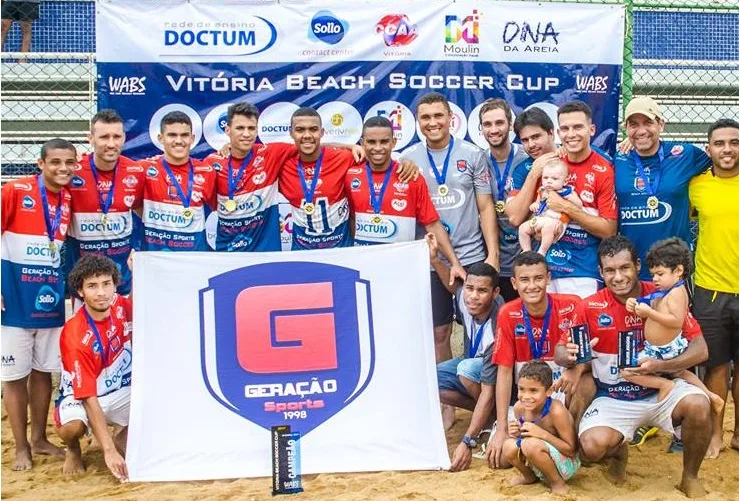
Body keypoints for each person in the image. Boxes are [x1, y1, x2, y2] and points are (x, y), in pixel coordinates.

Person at [569, 235, 711, 498]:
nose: (618, 277)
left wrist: (662, 364)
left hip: (661, 392)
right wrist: (568, 355)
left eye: (624, 268)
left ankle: (689, 477)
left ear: (637, 266)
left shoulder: (664, 296)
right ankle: (618, 453)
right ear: (600, 272)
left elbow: (701, 349)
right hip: (612, 396)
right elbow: (563, 351)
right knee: (590, 448)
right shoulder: (588, 306)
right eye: (609, 270)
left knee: (699, 406)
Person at [400, 92, 499, 363]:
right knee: (439, 334)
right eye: (425, 117)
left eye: (438, 116)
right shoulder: (407, 160)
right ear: (418, 121)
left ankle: (479, 393)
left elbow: (486, 207)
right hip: (432, 261)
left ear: (450, 119)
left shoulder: (473, 155)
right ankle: (447, 404)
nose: (432, 122)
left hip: (471, 257)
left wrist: (492, 255)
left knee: (478, 330)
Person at [1, 138, 75, 470]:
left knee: (44, 371)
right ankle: (21, 448)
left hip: (48, 297)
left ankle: (40, 439)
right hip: (12, 298)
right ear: (40, 163)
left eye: (69, 163)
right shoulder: (15, 190)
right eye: (55, 162)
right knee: (15, 375)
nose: (63, 168)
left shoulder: (69, 199)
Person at [511, 102, 618, 299]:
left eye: (578, 127)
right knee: (546, 329)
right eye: (566, 129)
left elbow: (609, 231)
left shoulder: (604, 167)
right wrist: (539, 225)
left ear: (591, 129)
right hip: (545, 270)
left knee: (580, 329)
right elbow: (520, 217)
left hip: (583, 271)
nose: (571, 134)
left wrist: (566, 207)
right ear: (559, 133)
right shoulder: (549, 165)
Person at [487, 252, 582, 470]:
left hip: (560, 389)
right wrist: (502, 428)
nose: (532, 286)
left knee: (584, 383)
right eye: (524, 280)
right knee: (501, 460)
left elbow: (586, 356)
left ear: (548, 278)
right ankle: (540, 445)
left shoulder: (572, 305)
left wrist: (576, 370)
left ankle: (574, 445)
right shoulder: (507, 313)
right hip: (529, 396)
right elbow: (503, 372)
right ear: (514, 282)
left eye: (538, 278)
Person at [279, 107, 417, 251]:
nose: (307, 135)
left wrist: (406, 163)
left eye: (313, 129)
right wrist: (349, 145)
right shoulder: (282, 165)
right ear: (291, 133)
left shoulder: (345, 158)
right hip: (301, 254)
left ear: (322, 132)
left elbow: (381, 158)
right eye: (300, 130)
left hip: (342, 254)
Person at [347, 117, 463, 276]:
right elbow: (352, 219)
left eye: (384, 141)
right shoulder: (351, 174)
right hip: (365, 266)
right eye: (372, 142)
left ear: (394, 143)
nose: (378, 148)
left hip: (403, 267)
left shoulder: (411, 177)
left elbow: (432, 224)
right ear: (362, 143)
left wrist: (455, 263)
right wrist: (347, 146)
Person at [615, 96, 712, 281]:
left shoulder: (685, 154)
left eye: (648, 123)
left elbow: (724, 163)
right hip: (631, 269)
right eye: (633, 125)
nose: (641, 130)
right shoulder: (618, 159)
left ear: (661, 124)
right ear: (626, 129)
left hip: (674, 269)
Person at [621, 238, 722, 411]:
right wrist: (634, 303)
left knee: (627, 371)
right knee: (680, 372)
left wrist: (649, 313)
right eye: (653, 274)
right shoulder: (664, 291)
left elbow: (676, 321)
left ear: (678, 271)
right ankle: (712, 396)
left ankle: (663, 385)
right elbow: (651, 303)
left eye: (660, 274)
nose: (655, 279)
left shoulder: (677, 292)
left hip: (665, 349)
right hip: (661, 347)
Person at [427, 233, 500, 471]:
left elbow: (493, 377)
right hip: (473, 371)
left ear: (495, 293)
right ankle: (488, 418)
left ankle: (494, 420)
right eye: (469, 288)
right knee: (430, 379)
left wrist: (467, 440)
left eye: (481, 291)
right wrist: (436, 259)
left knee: (466, 368)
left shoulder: (502, 319)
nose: (473, 296)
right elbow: (452, 286)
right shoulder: (465, 299)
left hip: (498, 382)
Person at [54, 255, 131, 482]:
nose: (101, 293)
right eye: (92, 286)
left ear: (115, 285)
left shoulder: (117, 304)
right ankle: (74, 448)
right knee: (72, 427)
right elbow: (88, 397)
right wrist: (109, 452)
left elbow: (140, 304)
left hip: (118, 390)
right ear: (80, 291)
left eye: (106, 284)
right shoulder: (75, 335)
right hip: (83, 397)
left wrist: (138, 271)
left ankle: (120, 437)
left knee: (156, 404)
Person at [689, 118, 739, 458]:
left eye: (734, 142)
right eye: (719, 143)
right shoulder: (696, 186)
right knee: (717, 366)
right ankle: (716, 434)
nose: (727, 149)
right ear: (709, 150)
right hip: (711, 290)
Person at [65, 109, 144, 296]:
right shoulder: (71, 173)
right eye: (104, 137)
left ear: (124, 138)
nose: (111, 143)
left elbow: (142, 212)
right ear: (90, 139)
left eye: (116, 136)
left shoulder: (136, 171)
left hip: (122, 280)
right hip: (84, 282)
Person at [205, 102, 298, 252]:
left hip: (266, 252)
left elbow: (312, 145)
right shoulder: (212, 163)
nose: (246, 134)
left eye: (251, 128)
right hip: (228, 253)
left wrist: (350, 147)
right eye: (240, 128)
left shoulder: (270, 154)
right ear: (228, 130)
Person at [140, 111, 216, 251]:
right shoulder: (144, 170)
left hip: (195, 257)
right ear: (161, 138)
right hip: (156, 257)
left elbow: (222, 207)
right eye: (172, 135)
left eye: (184, 135)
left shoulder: (206, 171)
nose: (179, 141)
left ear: (192, 138)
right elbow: (132, 204)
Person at [502, 360, 579, 495]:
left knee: (531, 445)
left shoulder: (556, 411)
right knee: (508, 445)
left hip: (565, 465)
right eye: (521, 389)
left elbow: (572, 450)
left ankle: (557, 483)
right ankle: (529, 476)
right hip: (537, 459)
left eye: (533, 390)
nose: (526, 396)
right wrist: (516, 432)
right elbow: (524, 438)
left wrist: (542, 434)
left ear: (548, 391)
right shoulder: (519, 408)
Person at [479, 98, 529, 301]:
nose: (494, 130)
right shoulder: (476, 160)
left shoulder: (528, 157)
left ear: (510, 124)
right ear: (481, 128)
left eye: (499, 123)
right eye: (487, 124)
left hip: (526, 257)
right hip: (491, 260)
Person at [506, 107, 559, 228]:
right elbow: (514, 218)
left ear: (551, 133)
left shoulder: (570, 157)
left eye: (535, 137)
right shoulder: (522, 169)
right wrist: (534, 174)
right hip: (539, 244)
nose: (531, 145)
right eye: (525, 140)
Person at [518, 160, 582, 256]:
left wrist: (569, 199)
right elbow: (537, 202)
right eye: (545, 178)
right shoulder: (542, 190)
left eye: (554, 178)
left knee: (548, 227)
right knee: (522, 228)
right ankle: (526, 250)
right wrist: (534, 205)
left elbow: (579, 205)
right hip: (541, 219)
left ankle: (542, 251)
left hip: (557, 222)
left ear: (564, 181)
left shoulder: (566, 191)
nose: (549, 181)